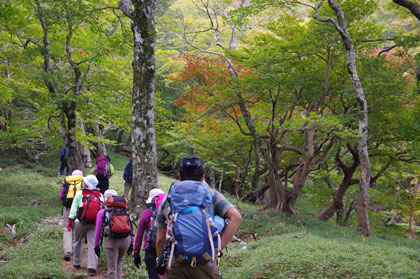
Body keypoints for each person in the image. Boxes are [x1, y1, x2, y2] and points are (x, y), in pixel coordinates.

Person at [155, 156, 242, 279]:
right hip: (206, 263)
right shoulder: (211, 195)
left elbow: (159, 239)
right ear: (202, 177)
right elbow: (236, 217)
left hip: (176, 264)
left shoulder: (168, 199)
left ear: (179, 176)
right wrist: (218, 248)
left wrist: (161, 260)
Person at [67, 175, 103, 276]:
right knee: (93, 244)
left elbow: (74, 208)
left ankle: (77, 263)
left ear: (86, 184)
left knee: (77, 241)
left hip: (80, 222)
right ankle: (92, 267)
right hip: (94, 223)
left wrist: (70, 220)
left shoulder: (80, 193)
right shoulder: (100, 194)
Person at [94, 190, 134, 279]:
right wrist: (131, 243)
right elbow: (131, 228)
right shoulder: (125, 211)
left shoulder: (103, 212)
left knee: (112, 268)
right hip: (126, 240)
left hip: (112, 241)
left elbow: (98, 230)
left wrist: (96, 245)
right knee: (119, 262)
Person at [133, 188, 165, 279]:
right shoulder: (168, 212)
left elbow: (139, 236)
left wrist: (136, 253)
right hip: (166, 251)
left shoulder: (147, 213)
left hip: (151, 250)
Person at [59, 170, 83, 261]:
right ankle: (75, 249)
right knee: (76, 228)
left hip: (68, 207)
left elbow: (62, 196)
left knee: (67, 228)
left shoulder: (67, 183)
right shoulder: (82, 183)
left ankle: (67, 250)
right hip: (79, 208)